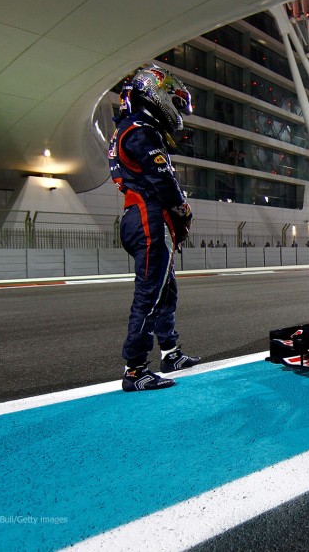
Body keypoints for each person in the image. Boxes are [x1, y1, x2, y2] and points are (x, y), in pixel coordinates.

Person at [108, 65, 200, 392]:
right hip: (147, 216)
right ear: (156, 94)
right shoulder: (139, 130)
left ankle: (171, 353)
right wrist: (183, 211)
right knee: (149, 293)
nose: (175, 109)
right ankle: (135, 370)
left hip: (143, 214)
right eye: (172, 101)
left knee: (164, 290)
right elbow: (163, 178)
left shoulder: (129, 127)